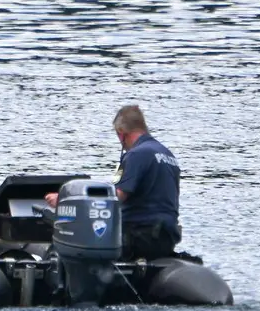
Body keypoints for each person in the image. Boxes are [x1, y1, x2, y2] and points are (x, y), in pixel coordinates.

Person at [46, 104, 182, 259]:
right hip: (166, 237)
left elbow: (115, 197)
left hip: (140, 237)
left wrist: (63, 201)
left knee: (68, 249)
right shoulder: (167, 154)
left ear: (122, 133)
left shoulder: (136, 154)